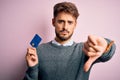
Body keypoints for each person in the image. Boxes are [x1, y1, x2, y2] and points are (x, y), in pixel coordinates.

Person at [23, 2, 116, 80]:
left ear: (75, 24)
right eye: (61, 21)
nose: (65, 27)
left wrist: (106, 47)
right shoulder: (39, 51)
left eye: (70, 22)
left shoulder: (85, 50)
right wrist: (32, 68)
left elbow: (107, 54)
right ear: (53, 22)